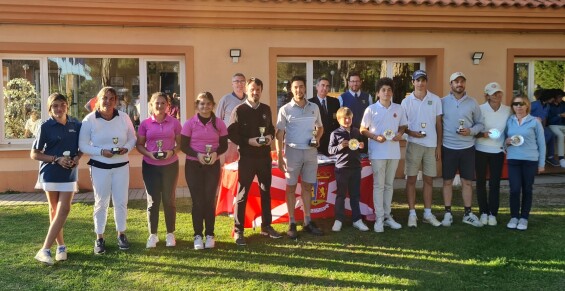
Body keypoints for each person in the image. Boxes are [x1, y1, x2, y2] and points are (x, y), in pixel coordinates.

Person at [79, 87, 137, 254]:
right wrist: (100, 152)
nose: (108, 101)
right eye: (105, 98)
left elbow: (133, 137)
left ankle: (121, 234)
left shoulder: (123, 117)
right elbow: (82, 145)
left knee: (121, 202)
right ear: (98, 100)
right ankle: (100, 237)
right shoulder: (89, 119)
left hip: (121, 166)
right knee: (101, 202)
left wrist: (126, 148)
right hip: (99, 167)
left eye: (112, 98)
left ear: (116, 101)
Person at [228, 77, 281, 246]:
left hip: (264, 157)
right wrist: (247, 141)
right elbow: (232, 133)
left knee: (266, 192)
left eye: (258, 90)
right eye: (252, 90)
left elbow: (271, 129)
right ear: (247, 90)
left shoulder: (266, 109)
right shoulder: (239, 110)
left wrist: (269, 137)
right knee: (242, 194)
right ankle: (239, 230)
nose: (255, 92)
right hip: (247, 158)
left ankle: (266, 226)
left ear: (261, 91)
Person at [31, 93, 82, 265]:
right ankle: (60, 246)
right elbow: (34, 154)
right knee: (54, 210)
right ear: (50, 109)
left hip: (69, 173)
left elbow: (81, 147)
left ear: (67, 106)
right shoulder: (45, 126)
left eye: (62, 105)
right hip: (50, 172)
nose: (59, 109)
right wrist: (56, 159)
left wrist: (76, 158)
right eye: (55, 106)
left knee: (64, 209)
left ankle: (45, 249)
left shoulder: (76, 124)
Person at [276, 75, 324, 238]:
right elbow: (279, 134)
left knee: (307, 187)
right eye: (296, 87)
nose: (299, 90)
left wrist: (316, 139)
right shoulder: (285, 110)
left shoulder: (314, 107)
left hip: (310, 153)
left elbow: (320, 127)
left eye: (301, 87)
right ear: (291, 89)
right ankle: (291, 222)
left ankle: (307, 221)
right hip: (292, 152)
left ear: (305, 88)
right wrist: (280, 156)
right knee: (290, 187)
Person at [181, 92, 228, 250]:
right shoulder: (189, 123)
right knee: (198, 201)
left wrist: (216, 153)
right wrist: (197, 155)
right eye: (202, 103)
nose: (205, 106)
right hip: (193, 166)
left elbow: (224, 145)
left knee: (209, 200)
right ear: (197, 105)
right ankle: (197, 235)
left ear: (213, 105)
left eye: (208, 103)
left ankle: (210, 234)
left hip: (212, 166)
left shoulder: (219, 123)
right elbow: (184, 146)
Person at [360, 77, 407, 233]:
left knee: (388, 185)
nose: (386, 92)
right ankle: (379, 218)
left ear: (392, 92)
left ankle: (387, 216)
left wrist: (400, 134)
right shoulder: (371, 109)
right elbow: (362, 129)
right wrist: (374, 137)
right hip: (377, 153)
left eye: (389, 90)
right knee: (379, 186)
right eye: (383, 90)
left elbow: (403, 126)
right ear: (378, 93)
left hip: (393, 152)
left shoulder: (398, 108)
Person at [136, 92, 182, 248]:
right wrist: (149, 154)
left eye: (163, 103)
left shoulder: (175, 123)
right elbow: (139, 145)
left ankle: (170, 234)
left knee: (169, 200)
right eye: (157, 103)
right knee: (153, 201)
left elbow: (180, 144)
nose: (160, 106)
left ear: (168, 106)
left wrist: (172, 152)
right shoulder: (145, 124)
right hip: (150, 166)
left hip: (170, 166)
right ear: (151, 105)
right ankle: (153, 235)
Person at [441, 72, 484, 227]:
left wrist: (471, 131)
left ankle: (468, 213)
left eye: (462, 81)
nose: (459, 84)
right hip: (448, 147)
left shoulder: (473, 102)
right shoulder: (443, 102)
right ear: (450, 84)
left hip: (467, 148)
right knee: (447, 182)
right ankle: (447, 213)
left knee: (467, 182)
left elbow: (480, 124)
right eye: (456, 81)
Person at [401, 70, 443, 228]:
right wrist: (412, 133)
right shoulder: (406, 102)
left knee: (429, 180)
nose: (420, 83)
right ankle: (412, 213)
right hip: (413, 144)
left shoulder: (436, 99)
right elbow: (402, 126)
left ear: (427, 81)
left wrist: (439, 146)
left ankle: (427, 213)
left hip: (431, 145)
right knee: (411, 179)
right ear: (413, 82)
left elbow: (439, 124)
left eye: (423, 80)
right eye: (417, 80)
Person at [505, 96, 545, 231]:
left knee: (527, 189)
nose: (519, 106)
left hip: (530, 160)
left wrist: (541, 163)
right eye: (515, 104)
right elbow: (504, 139)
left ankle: (524, 218)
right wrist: (507, 142)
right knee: (515, 189)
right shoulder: (509, 121)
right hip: (513, 160)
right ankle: (514, 216)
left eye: (522, 104)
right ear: (512, 106)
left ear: (527, 106)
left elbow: (542, 144)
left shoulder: (534, 122)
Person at [474, 82, 511, 226]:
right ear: (487, 95)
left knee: (495, 183)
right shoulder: (479, 109)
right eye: (494, 93)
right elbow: (473, 132)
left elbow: (514, 124)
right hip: (480, 150)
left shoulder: (508, 110)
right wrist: (483, 134)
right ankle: (483, 212)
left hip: (498, 151)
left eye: (499, 92)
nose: (498, 95)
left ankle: (493, 213)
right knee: (481, 182)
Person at [328, 107, 368, 232]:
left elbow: (362, 146)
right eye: (344, 118)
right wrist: (340, 146)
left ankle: (357, 220)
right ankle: (338, 220)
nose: (347, 120)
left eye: (349, 118)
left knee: (355, 195)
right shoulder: (335, 133)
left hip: (356, 167)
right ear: (339, 120)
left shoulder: (356, 132)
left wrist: (361, 146)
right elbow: (330, 150)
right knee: (341, 195)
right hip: (342, 168)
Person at [217, 73, 247, 164]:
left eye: (242, 81)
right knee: (230, 167)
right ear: (232, 84)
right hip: (230, 141)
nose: (239, 84)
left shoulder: (249, 100)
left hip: (246, 141)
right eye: (236, 81)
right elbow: (218, 121)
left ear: (245, 84)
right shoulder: (225, 99)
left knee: (246, 167)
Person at [338, 72, 372, 153]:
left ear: (360, 82)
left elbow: (371, 117)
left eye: (357, 81)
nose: (355, 83)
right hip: (349, 136)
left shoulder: (368, 97)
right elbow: (339, 118)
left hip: (364, 135)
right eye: (352, 81)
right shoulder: (342, 98)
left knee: (364, 162)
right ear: (349, 83)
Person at [309, 77, 340, 156]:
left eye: (327, 86)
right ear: (317, 87)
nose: (325, 88)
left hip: (332, 141)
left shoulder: (335, 101)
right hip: (318, 140)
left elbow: (338, 121)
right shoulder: (310, 103)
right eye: (322, 85)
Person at [530, 89, 557, 166]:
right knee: (547, 135)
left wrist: (543, 128)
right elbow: (525, 114)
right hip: (531, 127)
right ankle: (537, 155)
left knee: (551, 135)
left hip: (540, 127)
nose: (553, 100)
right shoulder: (534, 104)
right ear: (548, 97)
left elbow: (544, 118)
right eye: (552, 98)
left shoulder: (547, 106)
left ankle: (550, 157)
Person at [547, 89, 565, 168]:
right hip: (552, 125)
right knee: (561, 136)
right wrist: (559, 115)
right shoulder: (549, 105)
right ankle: (561, 159)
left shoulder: (564, 104)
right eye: (559, 97)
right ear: (555, 97)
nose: (561, 98)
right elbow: (549, 119)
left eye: (562, 97)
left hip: (563, 125)